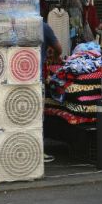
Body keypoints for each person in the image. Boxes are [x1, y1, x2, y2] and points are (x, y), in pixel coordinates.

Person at [41, 22, 62, 164]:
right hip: (35, 76)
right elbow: (58, 48)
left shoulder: (13, 24)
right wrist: (54, 55)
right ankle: (38, 151)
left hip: (13, 73)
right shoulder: (43, 26)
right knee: (36, 116)